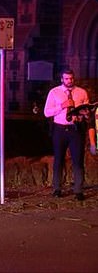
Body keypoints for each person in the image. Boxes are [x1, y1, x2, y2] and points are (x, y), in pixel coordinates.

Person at [43, 69, 89, 201]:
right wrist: (62, 106)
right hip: (60, 128)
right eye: (67, 79)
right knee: (59, 159)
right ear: (62, 79)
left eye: (71, 78)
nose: (69, 81)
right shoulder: (54, 92)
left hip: (76, 128)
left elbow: (86, 110)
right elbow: (47, 112)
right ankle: (57, 188)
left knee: (78, 159)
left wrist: (84, 115)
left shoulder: (81, 92)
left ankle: (78, 190)